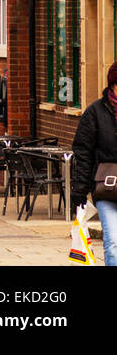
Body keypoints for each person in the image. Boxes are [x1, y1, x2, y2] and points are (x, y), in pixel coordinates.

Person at [72, 61, 117, 266]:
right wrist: (80, 188)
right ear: (113, 85)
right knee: (113, 242)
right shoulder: (95, 112)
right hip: (106, 187)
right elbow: (83, 151)